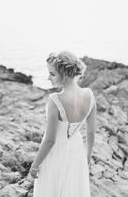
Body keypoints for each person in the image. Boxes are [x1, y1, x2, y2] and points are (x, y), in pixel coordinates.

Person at [30, 50, 96, 197]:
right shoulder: (89, 95)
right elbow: (91, 133)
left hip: (55, 155)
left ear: (65, 74)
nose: (48, 77)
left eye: (52, 74)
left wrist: (35, 165)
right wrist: (87, 157)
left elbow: (50, 140)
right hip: (77, 151)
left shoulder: (55, 100)